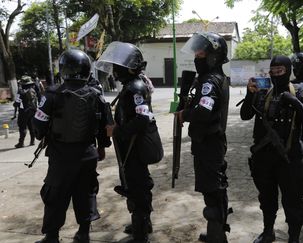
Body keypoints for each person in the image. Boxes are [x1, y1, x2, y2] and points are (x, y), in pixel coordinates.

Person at [32, 49, 112, 243]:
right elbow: (106, 127)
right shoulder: (96, 95)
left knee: (55, 195)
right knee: (86, 193)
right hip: (88, 154)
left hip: (61, 156)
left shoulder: (51, 94)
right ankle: (83, 234)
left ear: (63, 69)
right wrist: (101, 147)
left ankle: (52, 237)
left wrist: (44, 134)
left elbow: (38, 127)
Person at [240, 55, 303, 243]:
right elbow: (245, 115)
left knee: (293, 201)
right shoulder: (263, 91)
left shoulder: (301, 91)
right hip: (264, 158)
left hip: (290, 158)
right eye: (272, 71)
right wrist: (250, 93)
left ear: (288, 71)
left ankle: (293, 238)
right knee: (267, 199)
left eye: (280, 71)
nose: (276, 74)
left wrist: (294, 102)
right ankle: (268, 232)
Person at [96, 41, 163, 243]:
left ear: (130, 67)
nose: (115, 70)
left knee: (138, 189)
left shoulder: (136, 88)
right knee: (137, 185)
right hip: (131, 147)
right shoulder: (130, 87)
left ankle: (141, 234)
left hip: (136, 147)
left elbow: (142, 119)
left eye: (119, 65)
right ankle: (142, 224)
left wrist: (117, 130)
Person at [176, 32, 230, 243]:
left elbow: (203, 112)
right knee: (215, 188)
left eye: (200, 53)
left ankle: (217, 236)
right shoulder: (214, 78)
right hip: (210, 142)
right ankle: (217, 232)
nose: (197, 57)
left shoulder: (209, 81)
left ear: (213, 56)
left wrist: (184, 114)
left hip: (210, 143)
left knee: (213, 190)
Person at [13, 75, 38, 148]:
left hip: (23, 112)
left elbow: (17, 103)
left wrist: (15, 106)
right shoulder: (33, 90)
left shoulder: (21, 92)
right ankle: (32, 141)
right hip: (33, 111)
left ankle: (21, 143)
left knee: (22, 127)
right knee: (31, 126)